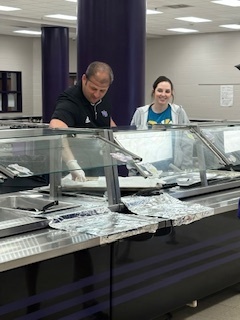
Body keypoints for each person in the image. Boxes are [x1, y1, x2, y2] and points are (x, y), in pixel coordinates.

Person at [49, 61, 116, 181]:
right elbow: (56, 129)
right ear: (84, 79)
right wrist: (72, 164)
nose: (96, 95)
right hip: (74, 169)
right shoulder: (70, 100)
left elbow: (109, 123)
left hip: (98, 163)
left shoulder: (103, 98)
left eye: (102, 91)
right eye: (93, 88)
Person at [130, 75, 193, 171]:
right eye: (160, 90)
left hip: (173, 169)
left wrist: (186, 169)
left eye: (167, 91)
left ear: (171, 93)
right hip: (146, 169)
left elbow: (187, 142)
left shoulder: (179, 112)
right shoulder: (141, 113)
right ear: (153, 91)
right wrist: (133, 170)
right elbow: (133, 143)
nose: (163, 94)